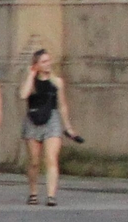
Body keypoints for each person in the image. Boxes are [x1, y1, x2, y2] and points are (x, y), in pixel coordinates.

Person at [17, 47, 82, 207]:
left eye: (48, 60)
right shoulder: (31, 81)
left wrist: (68, 128)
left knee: (51, 158)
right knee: (34, 161)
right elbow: (23, 95)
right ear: (36, 64)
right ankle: (33, 192)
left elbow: (63, 106)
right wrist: (31, 74)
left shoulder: (57, 82)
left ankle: (51, 195)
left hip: (52, 119)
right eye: (44, 61)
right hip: (33, 119)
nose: (48, 64)